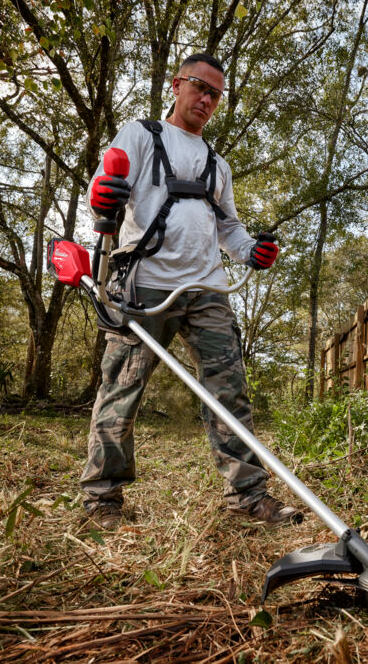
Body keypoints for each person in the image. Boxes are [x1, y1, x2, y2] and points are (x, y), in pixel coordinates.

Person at [80, 52, 302, 530]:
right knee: (121, 390)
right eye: (199, 87)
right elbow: (105, 186)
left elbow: (231, 230)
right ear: (177, 85)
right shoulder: (141, 135)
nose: (206, 99)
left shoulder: (217, 164)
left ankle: (248, 497)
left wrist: (252, 251)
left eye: (215, 94)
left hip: (208, 291)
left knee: (230, 393)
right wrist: (102, 196)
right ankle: (102, 500)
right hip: (144, 287)